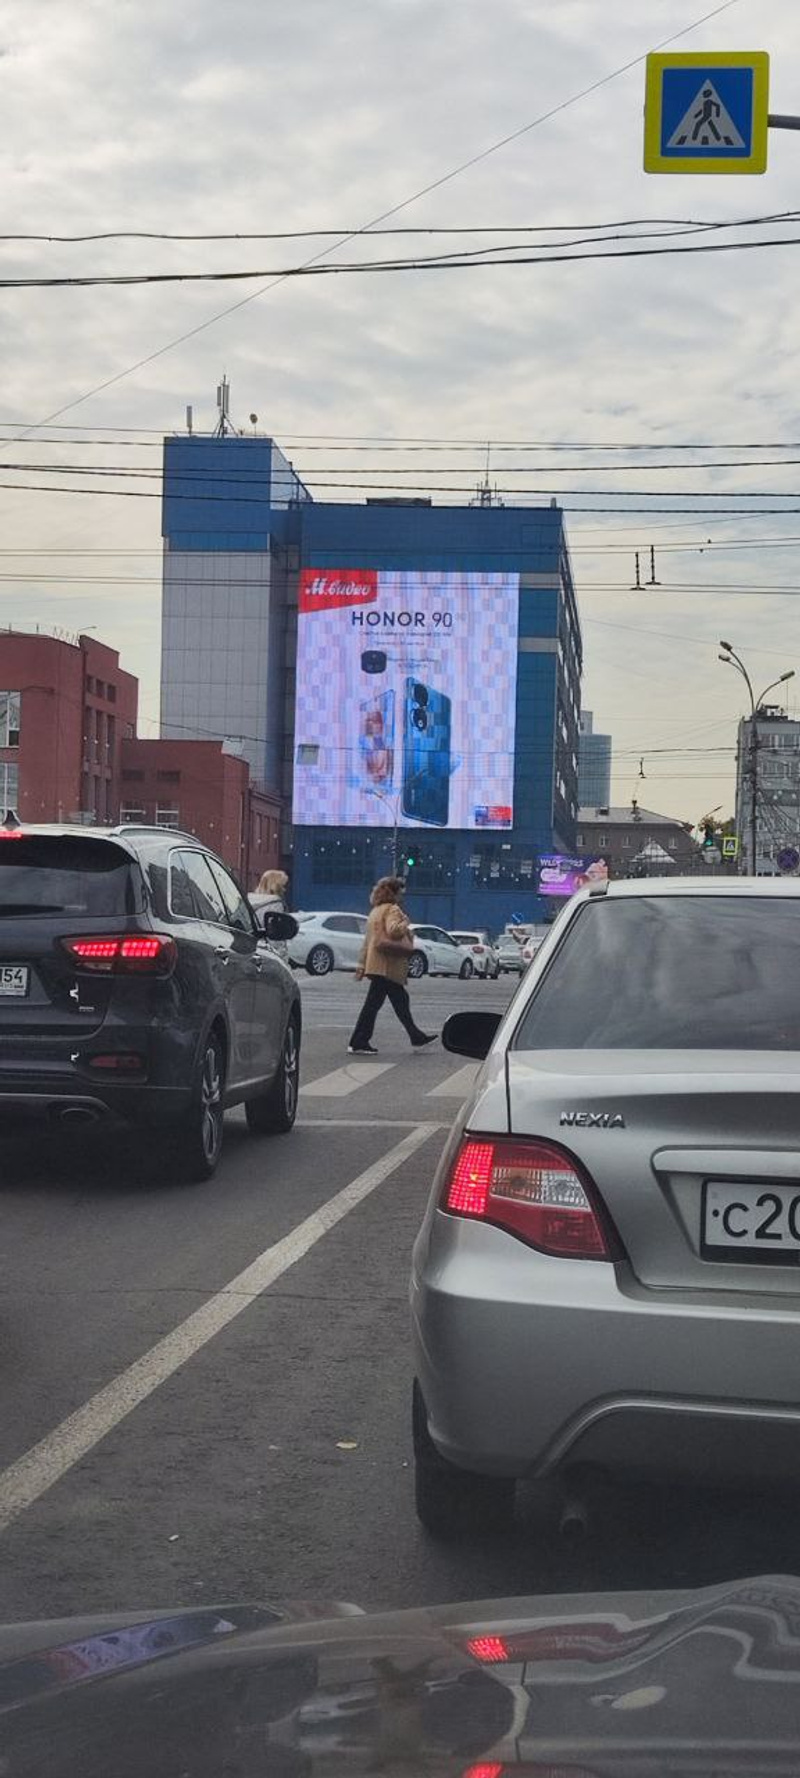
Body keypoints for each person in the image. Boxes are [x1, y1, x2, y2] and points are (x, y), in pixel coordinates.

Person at [348, 876, 436, 1055]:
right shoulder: (392, 909)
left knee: (393, 1001)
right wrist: (406, 922)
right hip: (388, 964)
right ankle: (359, 1041)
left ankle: (415, 1035)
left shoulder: (375, 911)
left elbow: (367, 941)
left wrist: (362, 965)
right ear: (394, 893)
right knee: (382, 1003)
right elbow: (394, 930)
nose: (402, 897)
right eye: (400, 893)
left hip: (377, 964)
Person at [249, 868, 290, 962]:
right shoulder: (276, 905)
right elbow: (276, 935)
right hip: (268, 954)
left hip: (250, 950)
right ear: (275, 886)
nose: (285, 890)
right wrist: (282, 956)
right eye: (283, 886)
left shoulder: (247, 900)